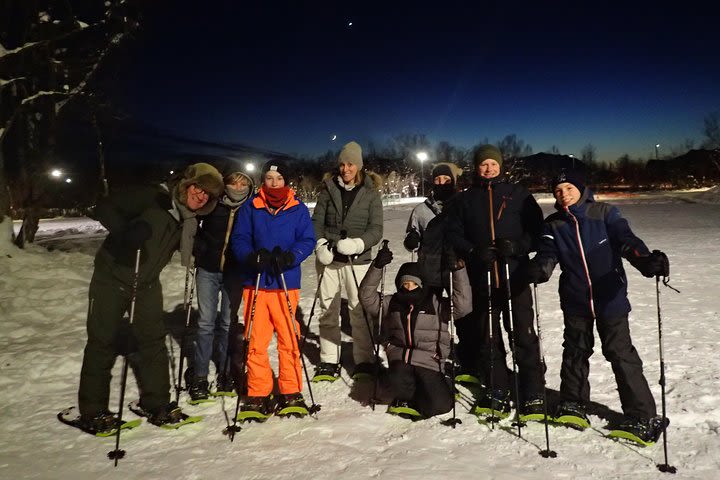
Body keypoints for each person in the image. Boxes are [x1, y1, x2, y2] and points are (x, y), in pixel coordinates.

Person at [76, 163, 224, 431]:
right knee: (102, 341)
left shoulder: (188, 220)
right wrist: (124, 231)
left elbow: (179, 244)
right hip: (112, 277)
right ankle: (92, 411)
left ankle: (156, 403)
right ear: (187, 184)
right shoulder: (153, 196)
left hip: (146, 283)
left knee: (153, 340)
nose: (201, 196)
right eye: (199, 188)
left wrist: (199, 247)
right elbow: (105, 207)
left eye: (207, 195)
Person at [527, 169, 670, 444]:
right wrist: (539, 269)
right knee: (575, 351)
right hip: (575, 299)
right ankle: (573, 403)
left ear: (581, 189)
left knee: (620, 354)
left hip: (610, 297)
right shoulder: (553, 224)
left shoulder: (604, 213)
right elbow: (547, 254)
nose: (564, 194)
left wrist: (644, 260)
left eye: (568, 188)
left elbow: (626, 240)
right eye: (558, 191)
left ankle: (643, 416)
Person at [447, 144, 545, 419]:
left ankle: (533, 391)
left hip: (516, 276)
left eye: (493, 164)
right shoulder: (465, 199)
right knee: (488, 336)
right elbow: (453, 234)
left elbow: (538, 232)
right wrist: (472, 250)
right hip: (482, 277)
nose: (488, 168)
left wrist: (516, 247)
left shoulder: (518, 195)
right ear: (476, 168)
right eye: (483, 164)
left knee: (523, 335)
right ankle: (497, 388)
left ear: (501, 166)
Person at [230, 160, 315, 419]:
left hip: (285, 282)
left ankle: (290, 389)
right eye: (269, 178)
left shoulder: (298, 208)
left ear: (286, 181)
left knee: (289, 339)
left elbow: (307, 239)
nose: (274, 183)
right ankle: (259, 390)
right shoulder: (251, 207)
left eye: (278, 179)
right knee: (256, 340)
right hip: (256, 282)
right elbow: (240, 238)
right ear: (263, 180)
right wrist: (251, 256)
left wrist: (291, 256)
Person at [359, 245, 472, 420]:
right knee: (396, 382)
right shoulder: (392, 303)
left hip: (429, 362)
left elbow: (463, 305)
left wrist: (458, 271)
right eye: (405, 283)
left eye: (414, 283)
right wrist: (377, 267)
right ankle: (408, 398)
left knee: (441, 406)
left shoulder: (436, 304)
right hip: (400, 360)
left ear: (422, 284)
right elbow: (367, 298)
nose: (409, 287)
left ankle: (442, 386)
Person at [311, 141, 384, 381]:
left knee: (359, 310)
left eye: (350, 164)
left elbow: (376, 229)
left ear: (359, 166)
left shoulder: (371, 192)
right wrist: (320, 245)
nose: (345, 169)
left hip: (358, 261)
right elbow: (316, 224)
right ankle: (329, 359)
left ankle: (364, 359)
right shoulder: (327, 189)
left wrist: (358, 243)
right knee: (328, 309)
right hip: (330, 260)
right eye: (342, 164)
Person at [188, 170, 254, 402]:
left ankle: (226, 372)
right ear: (225, 184)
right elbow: (191, 222)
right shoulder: (213, 204)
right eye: (233, 182)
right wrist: (196, 245)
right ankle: (200, 376)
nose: (237, 187)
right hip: (208, 269)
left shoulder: (251, 208)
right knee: (206, 323)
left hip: (234, 273)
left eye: (243, 183)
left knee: (227, 323)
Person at [403, 162, 463, 289]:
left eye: (446, 179)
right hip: (429, 270)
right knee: (431, 307)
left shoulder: (463, 206)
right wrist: (411, 240)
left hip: (458, 269)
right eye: (437, 179)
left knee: (462, 307)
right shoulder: (421, 210)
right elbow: (412, 235)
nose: (441, 183)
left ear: (453, 181)